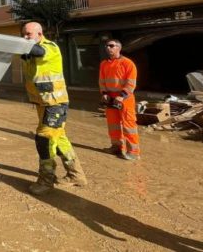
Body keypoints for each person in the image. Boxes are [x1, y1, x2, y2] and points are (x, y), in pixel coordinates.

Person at [19, 22, 87, 195]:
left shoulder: (50, 47)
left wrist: (17, 44)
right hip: (44, 104)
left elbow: (39, 52)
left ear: (40, 33)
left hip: (55, 104)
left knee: (44, 139)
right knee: (59, 140)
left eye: (28, 34)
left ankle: (46, 180)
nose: (25, 38)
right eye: (23, 35)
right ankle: (76, 175)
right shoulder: (28, 52)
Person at [99, 39, 140, 160]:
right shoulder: (104, 64)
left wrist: (122, 95)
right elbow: (102, 80)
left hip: (125, 99)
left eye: (111, 46)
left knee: (129, 125)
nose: (108, 48)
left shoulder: (128, 63)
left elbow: (131, 83)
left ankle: (133, 151)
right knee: (113, 125)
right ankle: (116, 147)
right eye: (107, 46)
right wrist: (104, 93)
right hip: (110, 98)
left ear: (119, 48)